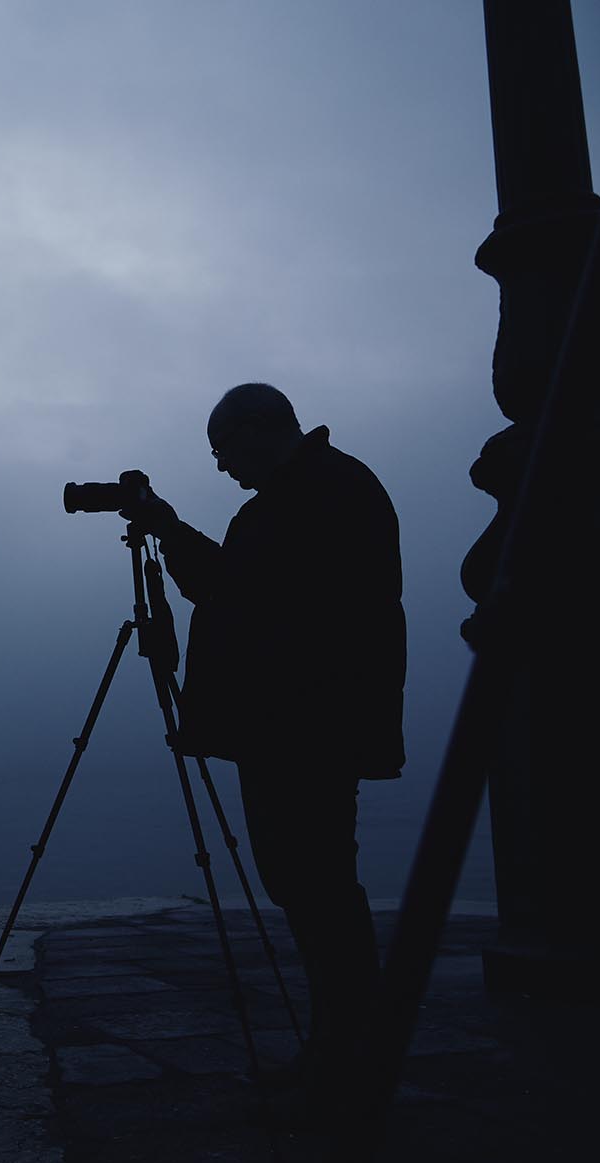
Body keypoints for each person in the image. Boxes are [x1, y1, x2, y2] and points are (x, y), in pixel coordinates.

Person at [122, 382, 406, 1116]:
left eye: (223, 450)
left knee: (315, 885)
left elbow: (240, 590)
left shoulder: (322, 490)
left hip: (303, 722)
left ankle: (350, 1053)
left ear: (257, 428)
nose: (222, 467)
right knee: (307, 883)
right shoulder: (311, 490)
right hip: (295, 721)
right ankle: (340, 1047)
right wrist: (172, 532)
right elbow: (241, 588)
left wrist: (169, 530)